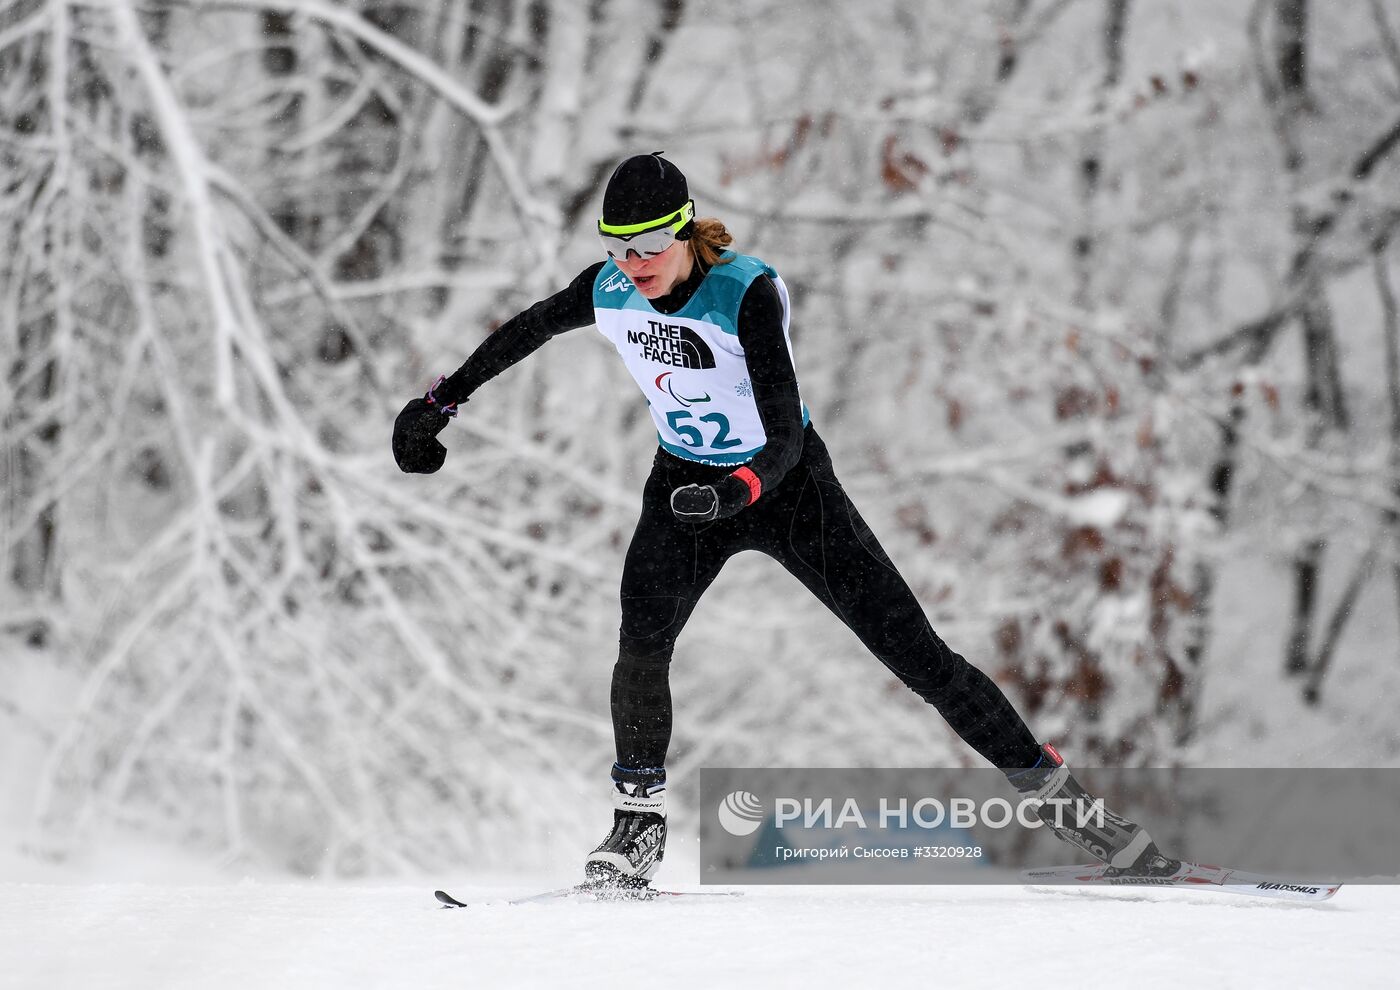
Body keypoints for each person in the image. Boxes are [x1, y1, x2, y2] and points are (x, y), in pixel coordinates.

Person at [392, 153, 1172, 887]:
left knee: (919, 657)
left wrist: (738, 492)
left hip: (787, 488)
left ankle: (1070, 807)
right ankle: (637, 827)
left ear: (689, 229)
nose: (636, 264)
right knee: (641, 637)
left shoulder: (745, 292)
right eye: (618, 247)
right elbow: (525, 329)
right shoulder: (610, 290)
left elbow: (785, 433)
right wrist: (441, 402)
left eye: (654, 243)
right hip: (683, 484)